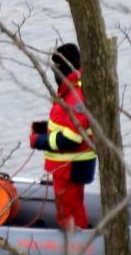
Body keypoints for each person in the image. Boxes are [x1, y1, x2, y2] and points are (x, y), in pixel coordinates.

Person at [30, 43, 95, 231]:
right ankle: (77, 234)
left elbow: (72, 138)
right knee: (73, 205)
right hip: (67, 166)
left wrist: (39, 141)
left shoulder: (76, 96)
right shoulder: (71, 90)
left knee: (68, 209)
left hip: (70, 165)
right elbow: (65, 123)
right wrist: (44, 128)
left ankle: (74, 241)